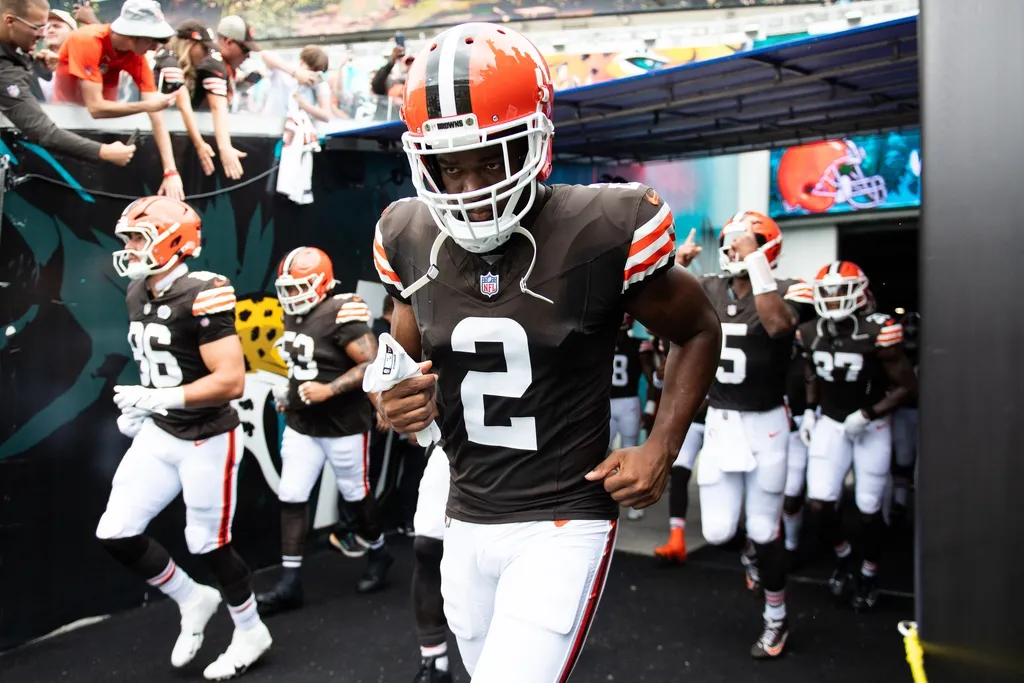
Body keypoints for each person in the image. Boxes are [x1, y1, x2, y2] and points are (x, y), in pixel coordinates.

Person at [373, 22, 721, 682]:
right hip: (464, 506)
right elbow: (401, 356)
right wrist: (389, 396)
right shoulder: (408, 232)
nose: (471, 184)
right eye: (451, 164)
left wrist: (660, 445)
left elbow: (699, 327)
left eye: (492, 157)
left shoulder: (601, 227)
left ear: (537, 142)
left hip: (563, 513)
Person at [97, 196, 272, 680]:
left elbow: (230, 380)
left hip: (206, 437)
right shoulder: (138, 292)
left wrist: (159, 398)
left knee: (208, 544)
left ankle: (252, 630)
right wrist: (145, 404)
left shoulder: (205, 291)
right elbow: (166, 362)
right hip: (161, 432)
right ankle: (192, 598)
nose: (130, 247)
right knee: (115, 531)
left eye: (138, 237)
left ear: (173, 241)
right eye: (128, 238)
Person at [675, 211, 815, 658]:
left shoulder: (788, 286)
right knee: (716, 532)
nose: (733, 248)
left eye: (744, 241)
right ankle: (751, 554)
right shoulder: (711, 285)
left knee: (764, 529)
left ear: (765, 246)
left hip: (767, 425)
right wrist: (676, 268)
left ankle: (776, 620)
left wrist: (757, 266)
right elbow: (671, 315)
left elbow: (777, 325)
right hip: (721, 422)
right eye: (732, 241)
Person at [257, 247, 392, 615]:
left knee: (355, 493)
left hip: (342, 425)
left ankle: (379, 552)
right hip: (303, 424)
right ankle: (290, 581)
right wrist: (290, 393)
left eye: (299, 286)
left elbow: (371, 363)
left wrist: (329, 390)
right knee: (292, 493)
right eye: (287, 287)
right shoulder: (292, 311)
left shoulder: (340, 312)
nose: (290, 295)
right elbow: (305, 364)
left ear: (321, 284)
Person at [798, 261, 917, 611]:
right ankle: (844, 555)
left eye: (840, 292)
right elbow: (810, 372)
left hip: (871, 425)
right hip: (831, 422)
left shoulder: (878, 331)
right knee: (819, 503)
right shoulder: (809, 331)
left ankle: (868, 571)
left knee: (868, 508)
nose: (833, 300)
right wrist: (809, 410)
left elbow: (908, 386)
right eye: (827, 293)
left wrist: (869, 413)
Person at [52, 0, 182, 199]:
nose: (154, 46)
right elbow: (95, 108)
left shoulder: (135, 55)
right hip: (65, 127)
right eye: (151, 38)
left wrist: (171, 171)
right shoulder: (87, 40)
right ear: (133, 34)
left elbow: (156, 115)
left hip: (103, 133)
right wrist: (147, 105)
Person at [0, 0, 134, 164]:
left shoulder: (16, 56)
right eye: (37, 27)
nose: (44, 33)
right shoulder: (4, 71)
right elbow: (42, 131)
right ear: (10, 21)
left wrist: (32, 63)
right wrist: (103, 151)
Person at [153, 20, 246, 179]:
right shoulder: (169, 62)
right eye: (203, 49)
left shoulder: (175, 62)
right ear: (189, 43)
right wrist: (200, 144)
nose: (205, 54)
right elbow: (183, 106)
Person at [609, 313, 654, 520]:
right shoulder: (602, 343)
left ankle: (634, 503)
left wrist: (650, 408)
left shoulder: (639, 345)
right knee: (598, 451)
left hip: (628, 403)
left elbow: (651, 378)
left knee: (632, 453)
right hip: (607, 404)